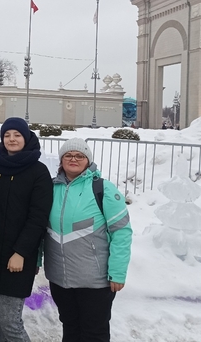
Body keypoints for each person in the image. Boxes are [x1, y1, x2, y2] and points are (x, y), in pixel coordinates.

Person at [43, 138, 132, 342]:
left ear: (88, 160)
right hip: (60, 278)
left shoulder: (103, 189)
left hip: (94, 281)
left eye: (79, 155)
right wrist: (37, 261)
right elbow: (41, 228)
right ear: (61, 160)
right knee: (71, 328)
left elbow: (122, 232)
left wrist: (117, 272)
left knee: (94, 332)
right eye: (68, 155)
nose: (73, 159)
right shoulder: (50, 188)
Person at [0, 117, 53, 342]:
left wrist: (21, 252)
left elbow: (38, 217)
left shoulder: (38, 171)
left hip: (19, 257)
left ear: (26, 137)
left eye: (17, 135)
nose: (11, 139)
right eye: (7, 135)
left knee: (10, 321)